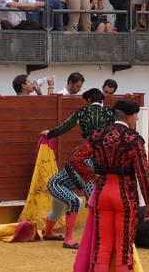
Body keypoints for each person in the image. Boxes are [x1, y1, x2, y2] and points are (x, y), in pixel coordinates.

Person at [70, 99, 149, 272]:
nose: (136, 120)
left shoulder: (98, 135)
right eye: (136, 116)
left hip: (102, 192)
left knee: (103, 246)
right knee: (123, 248)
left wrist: (92, 176)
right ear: (129, 116)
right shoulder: (133, 139)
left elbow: (75, 158)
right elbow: (143, 174)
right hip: (124, 195)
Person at [40, 87, 115, 248]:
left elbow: (66, 126)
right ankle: (70, 239)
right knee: (79, 201)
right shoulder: (110, 113)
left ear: (88, 101)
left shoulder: (82, 112)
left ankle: (48, 233)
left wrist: (50, 134)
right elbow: (91, 195)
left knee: (57, 210)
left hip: (66, 177)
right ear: (102, 99)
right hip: (72, 173)